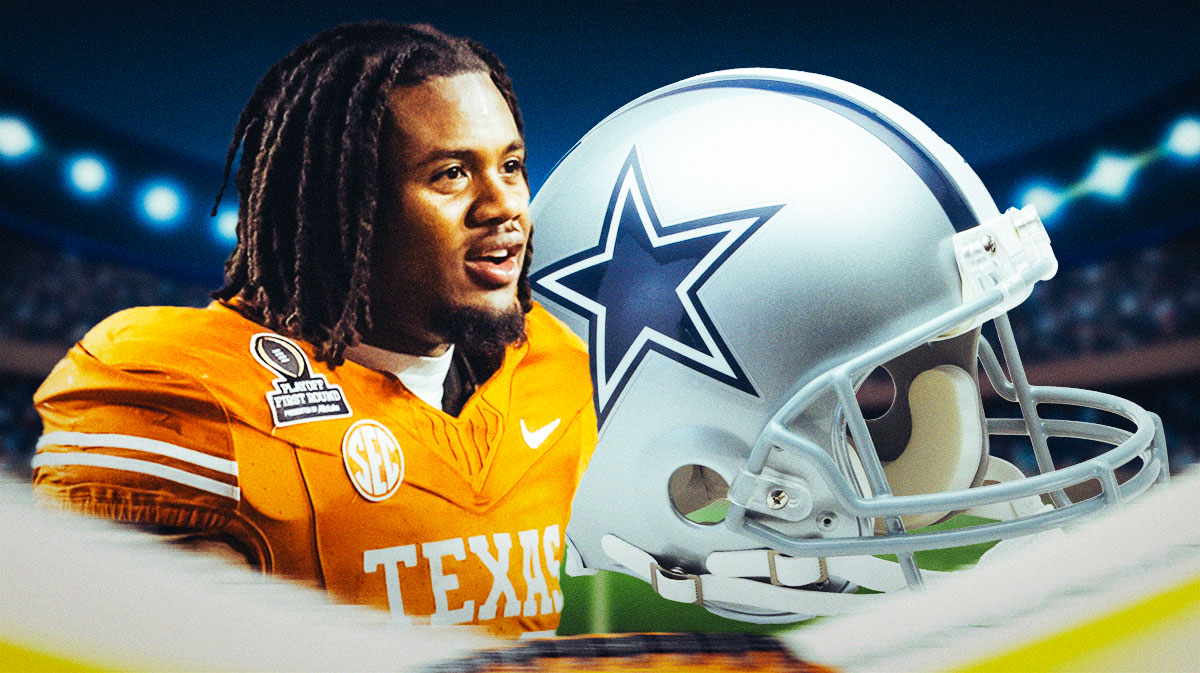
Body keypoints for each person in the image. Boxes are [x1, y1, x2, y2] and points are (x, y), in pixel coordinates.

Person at [31, 21, 596, 637]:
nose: (503, 204)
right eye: (451, 173)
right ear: (348, 207)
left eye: (510, 165)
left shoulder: (560, 365)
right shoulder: (193, 390)